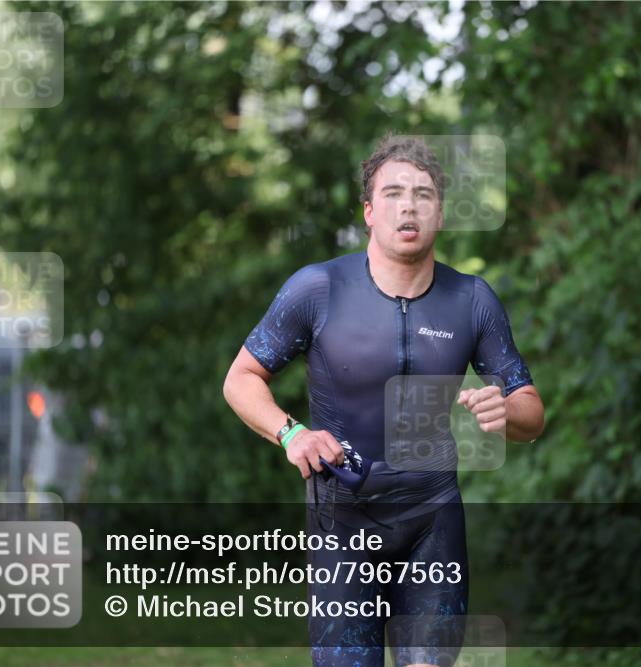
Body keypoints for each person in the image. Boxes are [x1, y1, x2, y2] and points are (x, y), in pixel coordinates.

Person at [223, 133, 545, 667]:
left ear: (440, 213)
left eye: (423, 194)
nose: (409, 205)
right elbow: (241, 378)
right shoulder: (318, 289)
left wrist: (507, 411)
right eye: (393, 193)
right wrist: (291, 432)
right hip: (344, 522)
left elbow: (531, 413)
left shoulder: (472, 301)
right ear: (369, 212)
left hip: (432, 521)